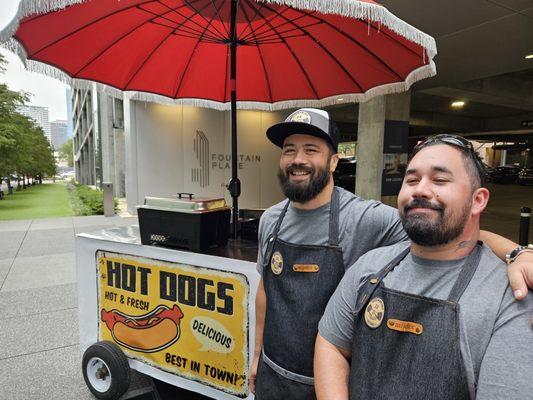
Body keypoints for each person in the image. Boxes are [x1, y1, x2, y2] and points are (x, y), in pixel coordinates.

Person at [250, 108, 533, 400]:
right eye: (289, 150)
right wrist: (257, 353)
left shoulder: (364, 218)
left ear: (334, 161)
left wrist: (518, 253)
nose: (298, 159)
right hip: (273, 376)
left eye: (311, 149)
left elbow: (440, 228)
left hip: (327, 385)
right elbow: (266, 291)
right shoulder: (272, 219)